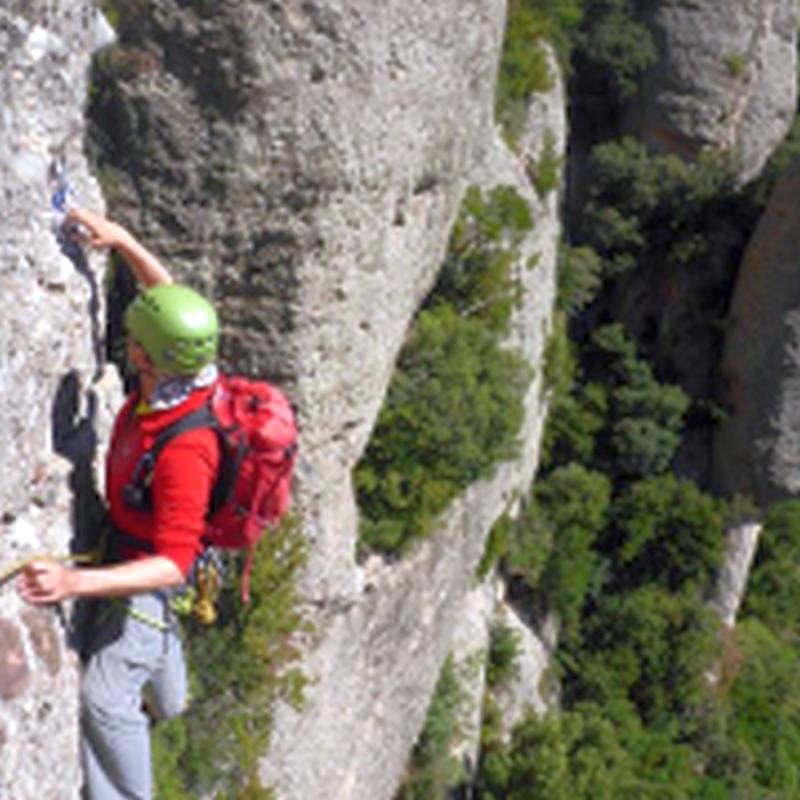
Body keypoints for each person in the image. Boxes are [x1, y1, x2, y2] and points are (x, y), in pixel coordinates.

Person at [17, 207, 221, 800]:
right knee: (167, 695)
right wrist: (125, 242)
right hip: (143, 550)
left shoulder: (185, 450)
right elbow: (170, 300)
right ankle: (169, 693)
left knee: (105, 698)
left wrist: (74, 585)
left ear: (145, 358)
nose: (126, 344)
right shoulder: (192, 371)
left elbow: (170, 566)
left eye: (134, 341)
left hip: (148, 568)